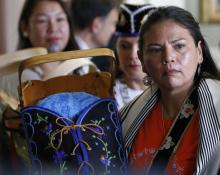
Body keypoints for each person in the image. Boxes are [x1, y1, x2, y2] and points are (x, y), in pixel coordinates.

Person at [120, 6, 220, 175]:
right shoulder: (126, 117)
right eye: (155, 49)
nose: (168, 57)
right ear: (142, 61)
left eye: (179, 46)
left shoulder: (217, 108)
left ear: (199, 52)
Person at [17, 0, 78, 80]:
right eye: (42, 20)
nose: (53, 28)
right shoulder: (19, 76)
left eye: (59, 19)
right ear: (24, 27)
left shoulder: (82, 67)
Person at [113, 3, 156, 109]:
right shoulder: (105, 93)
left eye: (141, 46)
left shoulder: (171, 92)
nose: (133, 55)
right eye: (125, 46)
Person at [70, 0, 121, 73]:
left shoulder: (84, 59)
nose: (114, 30)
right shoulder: (71, 64)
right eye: (113, 23)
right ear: (96, 25)